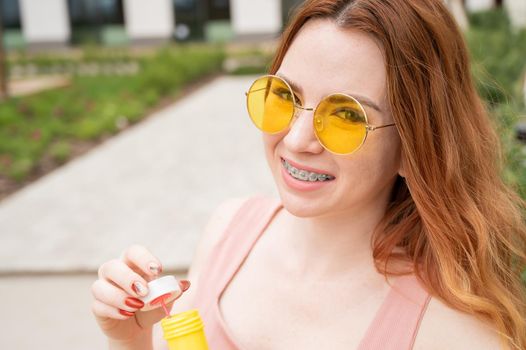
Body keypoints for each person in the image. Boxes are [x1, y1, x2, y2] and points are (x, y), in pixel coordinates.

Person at [91, 0, 526, 349]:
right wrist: (131, 342)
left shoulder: (452, 333)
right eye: (284, 95)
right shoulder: (228, 230)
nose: (297, 139)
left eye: (345, 117)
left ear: (413, 148)